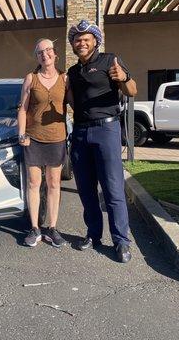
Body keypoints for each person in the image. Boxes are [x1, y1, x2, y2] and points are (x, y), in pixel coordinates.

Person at [66, 20, 137, 263]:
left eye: (86, 38)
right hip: (81, 133)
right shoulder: (73, 72)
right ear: (73, 45)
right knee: (86, 190)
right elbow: (73, 102)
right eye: (77, 39)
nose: (81, 42)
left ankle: (121, 241)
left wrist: (125, 77)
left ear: (95, 41)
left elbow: (132, 90)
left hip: (106, 130)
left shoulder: (110, 61)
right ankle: (93, 234)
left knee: (112, 188)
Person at [17, 38, 68, 248]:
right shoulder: (31, 78)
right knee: (33, 183)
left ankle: (52, 228)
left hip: (57, 138)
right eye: (39, 52)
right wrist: (21, 133)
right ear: (37, 57)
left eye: (48, 50)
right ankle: (35, 227)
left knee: (54, 183)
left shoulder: (65, 79)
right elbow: (22, 108)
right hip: (33, 138)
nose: (44, 54)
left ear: (55, 54)